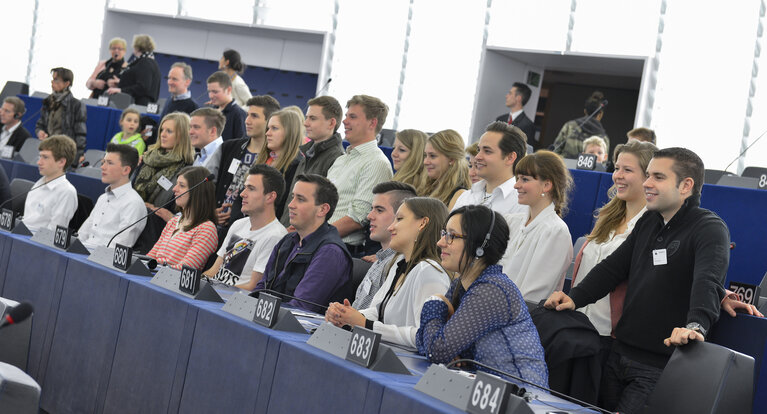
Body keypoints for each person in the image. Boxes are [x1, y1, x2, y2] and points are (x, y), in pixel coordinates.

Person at [544, 148, 730, 414]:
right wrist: (575, 297)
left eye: (658, 177)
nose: (647, 183)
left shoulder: (709, 228)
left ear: (686, 185)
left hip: (657, 366)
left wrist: (696, 326)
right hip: (617, 355)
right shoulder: (650, 221)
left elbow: (708, 281)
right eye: (648, 175)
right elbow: (613, 268)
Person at [417, 205, 549, 388]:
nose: (440, 242)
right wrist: (444, 347)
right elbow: (425, 343)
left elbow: (437, 351)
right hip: (484, 395)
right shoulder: (461, 285)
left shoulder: (492, 290)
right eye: (443, 233)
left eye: (452, 236)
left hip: (522, 401)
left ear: (480, 245)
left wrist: (435, 301)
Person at [326, 197, 451, 349]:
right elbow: (377, 312)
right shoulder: (397, 263)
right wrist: (345, 316)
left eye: (399, 219)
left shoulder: (430, 271)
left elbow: (424, 335)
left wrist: (364, 323)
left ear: (422, 223)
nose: (391, 227)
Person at [255, 174, 352, 313]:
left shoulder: (330, 252)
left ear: (323, 209)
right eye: (293, 197)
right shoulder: (287, 241)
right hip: (272, 320)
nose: (291, 204)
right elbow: (262, 288)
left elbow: (300, 308)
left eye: (300, 199)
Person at [500, 151, 573, 303]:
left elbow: (534, 296)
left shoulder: (556, 231)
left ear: (546, 185)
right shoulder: (511, 222)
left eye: (524, 179)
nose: (516, 185)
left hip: (522, 321)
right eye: (517, 178)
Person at [326, 95, 393, 256]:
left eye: (353, 116)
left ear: (372, 123)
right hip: (322, 242)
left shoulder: (376, 163)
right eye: (347, 115)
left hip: (338, 249)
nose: (344, 121)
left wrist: (314, 238)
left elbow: (356, 219)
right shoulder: (341, 160)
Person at [204, 164, 287, 290]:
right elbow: (214, 271)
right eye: (244, 188)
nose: (242, 194)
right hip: (213, 294)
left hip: (230, 302)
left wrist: (211, 289)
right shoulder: (238, 224)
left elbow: (252, 287)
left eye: (251, 188)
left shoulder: (276, 236)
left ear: (270, 196)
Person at [209, 95, 280, 229]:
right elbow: (206, 183)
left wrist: (236, 213)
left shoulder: (275, 159)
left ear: (269, 121)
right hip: (214, 223)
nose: (247, 120)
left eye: (254, 116)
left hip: (247, 229)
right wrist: (209, 212)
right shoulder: (228, 147)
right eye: (247, 115)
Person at [279, 96, 345, 225]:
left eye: (312, 118)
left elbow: (322, 208)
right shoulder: (308, 152)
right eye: (307, 117)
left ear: (331, 123)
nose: (305, 123)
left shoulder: (336, 158)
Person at [352, 181, 417, 308]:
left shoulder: (399, 265)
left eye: (379, 210)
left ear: (401, 216)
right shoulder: (380, 260)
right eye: (372, 209)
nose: (370, 216)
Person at [147, 166, 218, 270]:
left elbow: (184, 269)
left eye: (182, 185)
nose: (174, 189)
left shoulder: (206, 229)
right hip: (153, 276)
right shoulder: (174, 221)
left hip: (169, 283)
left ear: (197, 191)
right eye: (176, 184)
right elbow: (151, 257)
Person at [78, 144, 146, 249]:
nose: (102, 167)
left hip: (100, 260)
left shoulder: (133, 203)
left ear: (126, 170)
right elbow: (82, 235)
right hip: (82, 254)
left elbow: (119, 247)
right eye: (103, 162)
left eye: (109, 163)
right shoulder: (103, 198)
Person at [453, 122, 527, 216]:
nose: (477, 157)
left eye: (487, 151)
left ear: (510, 157)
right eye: (479, 150)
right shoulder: (466, 197)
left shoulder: (521, 203)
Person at [134, 112, 194, 210]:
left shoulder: (187, 168)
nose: (163, 134)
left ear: (182, 135)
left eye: (169, 131)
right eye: (162, 130)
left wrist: (155, 209)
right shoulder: (148, 157)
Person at [22, 136, 78, 232]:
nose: (39, 162)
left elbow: (52, 234)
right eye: (40, 156)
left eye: (45, 157)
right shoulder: (38, 183)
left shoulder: (67, 192)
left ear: (61, 162)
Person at [255, 109, 304, 216]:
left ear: (289, 132)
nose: (267, 133)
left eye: (274, 128)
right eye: (268, 128)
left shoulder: (296, 166)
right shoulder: (263, 158)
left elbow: (282, 207)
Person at [35, 67, 87, 165]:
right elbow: (40, 124)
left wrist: (75, 158)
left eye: (56, 80)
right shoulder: (48, 101)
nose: (52, 82)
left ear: (67, 84)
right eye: (52, 79)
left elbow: (80, 134)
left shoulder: (76, 105)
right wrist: (40, 132)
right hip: (47, 148)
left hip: (64, 152)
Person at [418, 129, 470, 210]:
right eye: (426, 155)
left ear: (451, 159)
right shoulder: (428, 187)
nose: (425, 162)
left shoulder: (460, 195)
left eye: (432, 156)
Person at [551, 91, 609, 159]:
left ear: (585, 111)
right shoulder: (604, 138)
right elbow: (603, 164)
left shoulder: (569, 127)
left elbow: (555, 151)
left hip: (565, 168)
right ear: (600, 114)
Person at [106, 34, 161, 106]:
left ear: (137, 47)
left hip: (137, 105)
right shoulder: (147, 61)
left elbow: (143, 87)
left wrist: (121, 90)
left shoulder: (145, 62)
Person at [207, 71, 246, 141]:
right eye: (209, 91)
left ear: (228, 90)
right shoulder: (210, 112)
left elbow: (241, 145)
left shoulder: (239, 115)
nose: (211, 96)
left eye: (215, 92)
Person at [495, 82, 536, 146]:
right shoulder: (500, 119)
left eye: (510, 93)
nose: (506, 96)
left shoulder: (528, 125)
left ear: (518, 98)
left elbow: (526, 151)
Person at [189, 108, 224, 173]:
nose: (190, 132)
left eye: (196, 127)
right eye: (190, 127)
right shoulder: (200, 155)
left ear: (212, 131)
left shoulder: (224, 156)